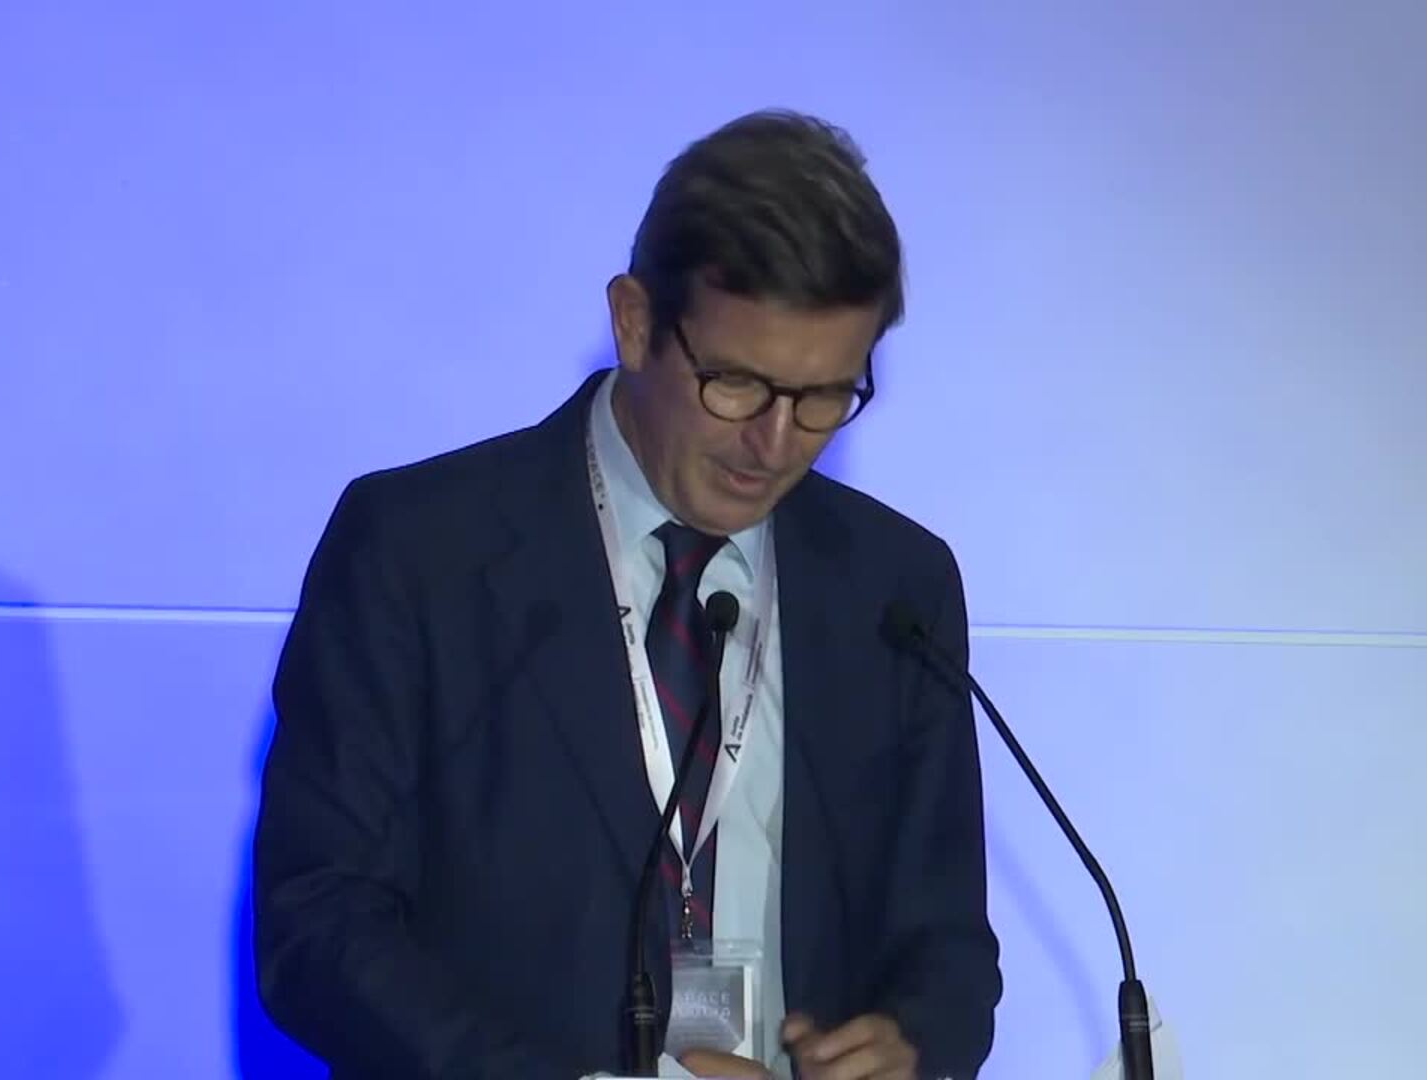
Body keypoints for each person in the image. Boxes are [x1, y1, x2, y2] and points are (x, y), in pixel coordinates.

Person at [253, 109, 1002, 1079]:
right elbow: (318, 922)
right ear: (635, 322)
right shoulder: (420, 551)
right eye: (736, 384)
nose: (775, 443)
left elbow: (949, 948)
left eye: (825, 396)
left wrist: (911, 1044)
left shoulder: (895, 586)